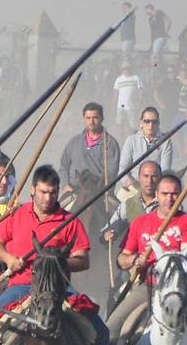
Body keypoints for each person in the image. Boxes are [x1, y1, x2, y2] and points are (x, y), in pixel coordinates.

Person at [0, 166, 103, 345]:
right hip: (21, 287)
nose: (48, 198)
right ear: (33, 190)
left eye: (53, 193)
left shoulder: (69, 221)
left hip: (58, 289)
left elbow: (83, 259)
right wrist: (9, 258)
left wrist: (58, 262)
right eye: (44, 192)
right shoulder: (17, 214)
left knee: (100, 333)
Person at [109, 172, 187, 337]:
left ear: (181, 195)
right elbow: (122, 259)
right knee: (111, 326)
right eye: (165, 194)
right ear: (156, 195)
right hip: (149, 285)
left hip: (184, 287)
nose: (170, 199)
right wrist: (134, 260)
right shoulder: (140, 223)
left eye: (174, 194)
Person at [57, 103, 121, 235]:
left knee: (119, 215)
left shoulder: (110, 143)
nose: (91, 121)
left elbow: (112, 171)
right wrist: (65, 185)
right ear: (83, 118)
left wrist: (102, 187)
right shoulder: (74, 142)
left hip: (100, 192)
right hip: (75, 190)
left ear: (102, 118)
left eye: (95, 117)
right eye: (88, 117)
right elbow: (63, 166)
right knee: (56, 215)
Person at [119, 108, 176, 193]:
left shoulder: (166, 142)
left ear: (158, 124)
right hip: (133, 187)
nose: (150, 125)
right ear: (141, 123)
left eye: (154, 122)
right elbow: (122, 169)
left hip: (155, 188)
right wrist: (130, 183)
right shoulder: (131, 140)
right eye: (147, 121)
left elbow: (165, 171)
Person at [113, 64, 142, 130]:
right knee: (119, 123)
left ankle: (134, 138)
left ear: (130, 69)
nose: (126, 70)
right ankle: (120, 138)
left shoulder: (136, 77)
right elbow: (115, 93)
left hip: (132, 106)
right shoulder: (119, 79)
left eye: (127, 68)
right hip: (120, 106)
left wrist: (139, 102)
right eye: (124, 69)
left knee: (133, 125)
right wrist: (113, 104)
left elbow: (140, 91)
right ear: (122, 70)